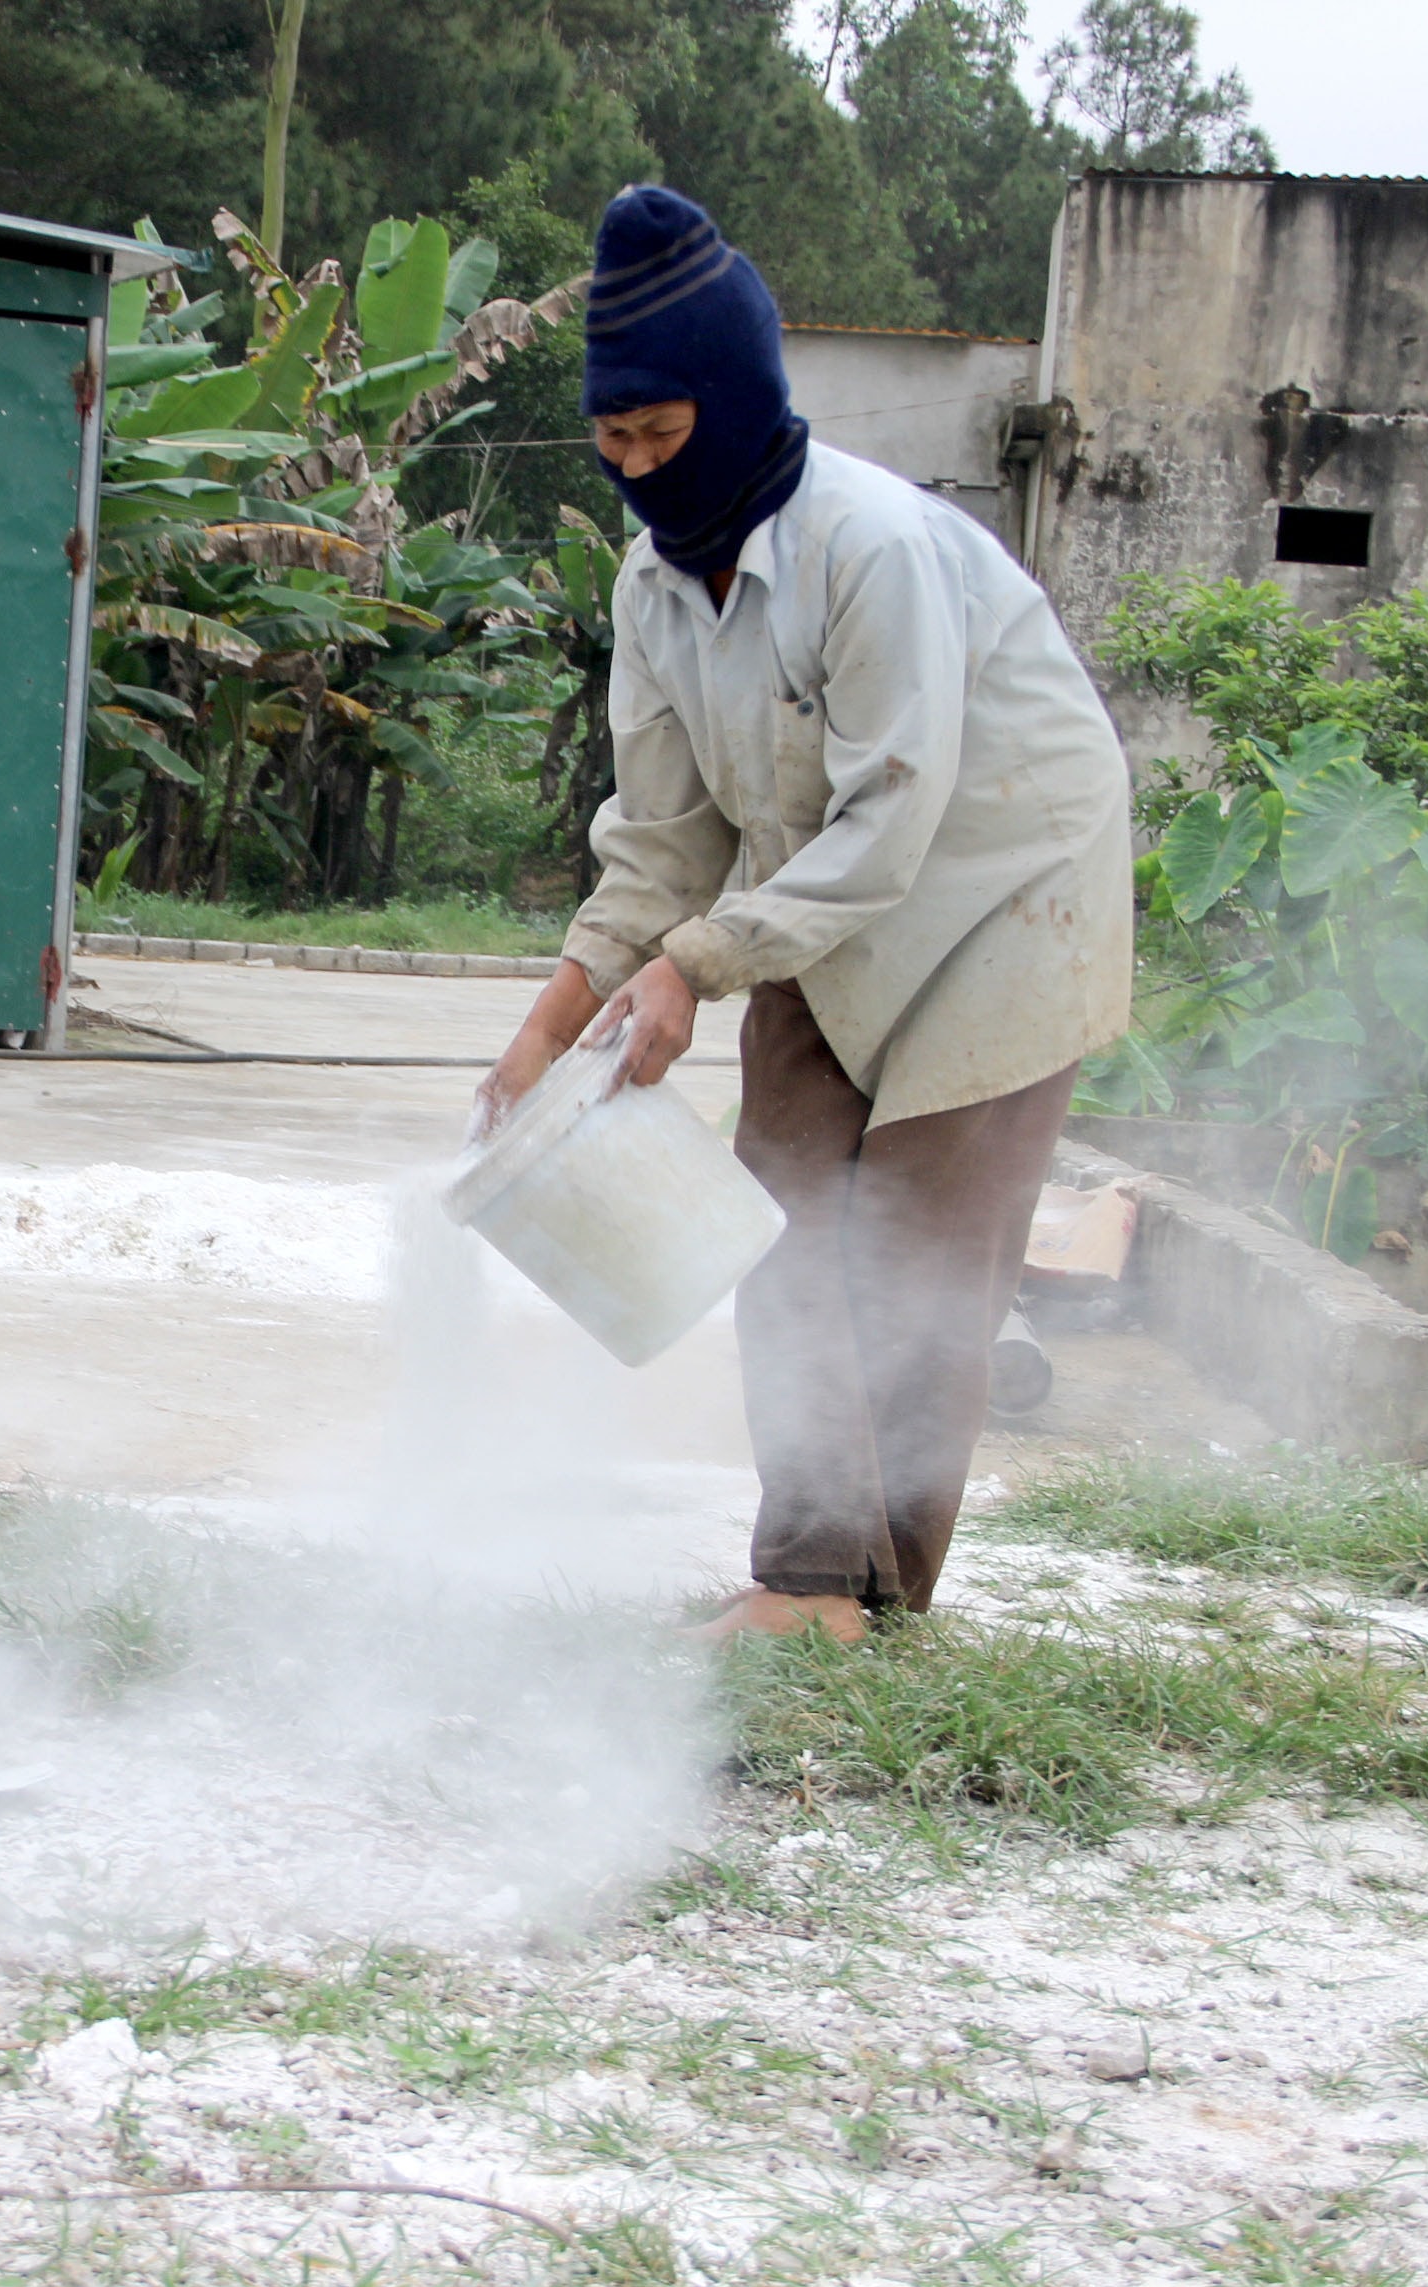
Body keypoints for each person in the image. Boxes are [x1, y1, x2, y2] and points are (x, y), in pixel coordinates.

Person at [477, 187, 1132, 1641]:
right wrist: (545, 1033)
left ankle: (868, 1600)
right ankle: (808, 1572)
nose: (639, 473)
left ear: (731, 401)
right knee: (776, 1210)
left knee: (918, 1244)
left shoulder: (870, 548)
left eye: (661, 437)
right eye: (614, 444)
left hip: (1006, 899)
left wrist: (697, 970)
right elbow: (661, 842)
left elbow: (891, 824)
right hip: (820, 901)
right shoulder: (655, 591)